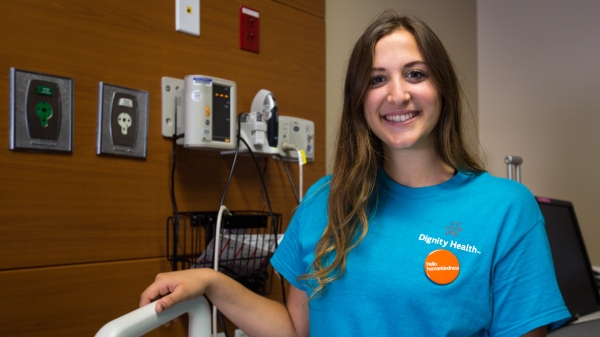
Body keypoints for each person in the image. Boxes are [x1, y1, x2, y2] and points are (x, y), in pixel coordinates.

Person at [140, 11, 570, 336]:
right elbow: (295, 329)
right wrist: (213, 283)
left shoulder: (506, 209)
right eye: (377, 79)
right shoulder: (325, 200)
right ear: (359, 100)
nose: (397, 94)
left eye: (415, 74)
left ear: (442, 90)